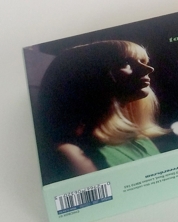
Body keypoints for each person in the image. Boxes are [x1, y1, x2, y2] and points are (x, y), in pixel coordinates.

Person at [38, 40, 167, 181]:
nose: (148, 69)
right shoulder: (70, 154)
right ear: (87, 75)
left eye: (143, 62)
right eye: (125, 63)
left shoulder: (141, 140)